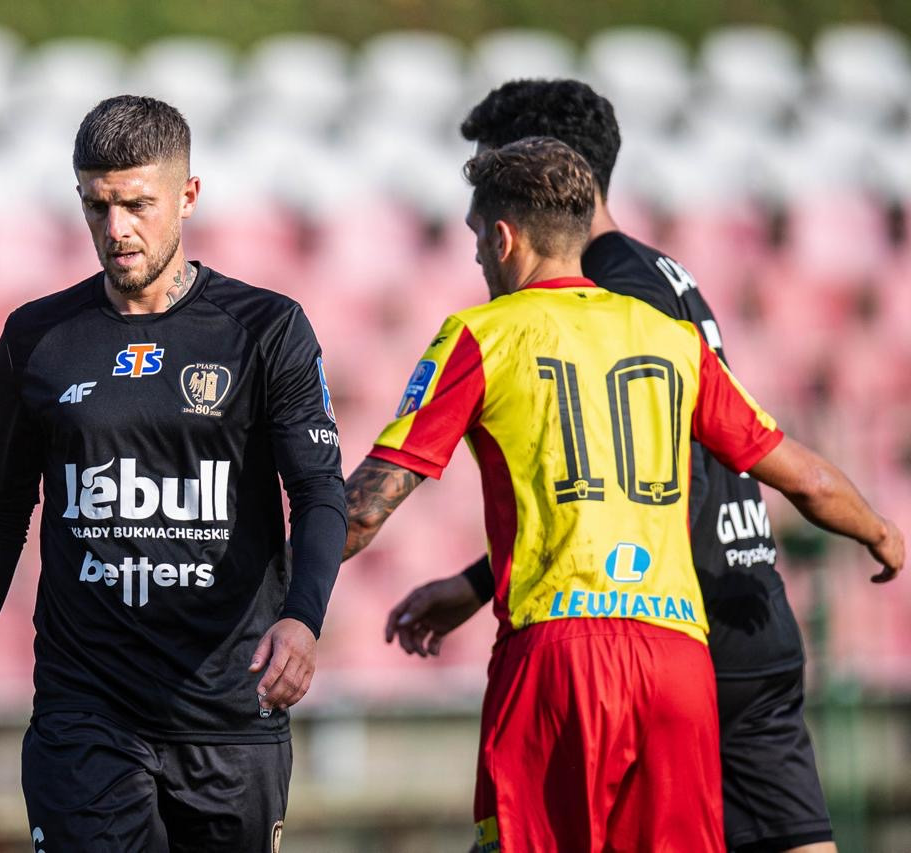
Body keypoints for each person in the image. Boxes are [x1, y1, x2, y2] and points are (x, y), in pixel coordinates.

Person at [341, 136, 904, 852]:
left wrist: (276, 583)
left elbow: (368, 505)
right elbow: (808, 479)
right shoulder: (672, 339)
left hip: (558, 653)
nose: (477, 256)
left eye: (477, 236)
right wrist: (880, 531)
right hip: (677, 663)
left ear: (504, 238)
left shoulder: (481, 335)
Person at [0, 95, 347, 853]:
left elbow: (318, 490)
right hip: (85, 711)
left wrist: (304, 618)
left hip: (228, 709)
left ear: (188, 196)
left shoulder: (266, 328)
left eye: (137, 205)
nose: (116, 229)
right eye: (97, 206)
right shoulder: (37, 338)